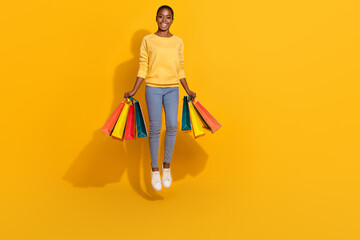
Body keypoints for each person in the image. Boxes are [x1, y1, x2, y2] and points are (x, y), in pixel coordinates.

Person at [124, 5, 196, 191]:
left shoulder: (178, 42)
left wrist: (187, 89)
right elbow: (143, 66)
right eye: (161, 17)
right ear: (156, 18)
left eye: (168, 17)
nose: (164, 20)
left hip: (173, 88)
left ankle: (166, 166)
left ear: (172, 20)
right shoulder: (148, 40)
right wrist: (134, 90)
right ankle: (154, 169)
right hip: (153, 88)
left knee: (172, 125)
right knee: (155, 128)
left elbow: (180, 67)